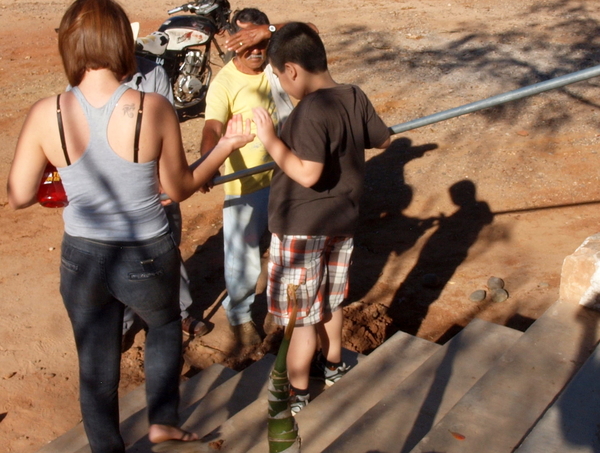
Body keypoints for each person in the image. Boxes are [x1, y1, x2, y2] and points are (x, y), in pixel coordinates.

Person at [6, 0, 254, 451]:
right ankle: (162, 419)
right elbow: (178, 188)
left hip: (82, 255)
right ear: (123, 41)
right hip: (145, 249)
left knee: (95, 365)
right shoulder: (152, 106)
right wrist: (226, 146)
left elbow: (19, 194)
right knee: (162, 326)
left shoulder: (48, 113)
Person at [252, 22, 391, 415]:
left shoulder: (311, 110)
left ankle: (295, 393)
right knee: (330, 303)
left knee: (298, 320)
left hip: (301, 229)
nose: (282, 84)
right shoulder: (352, 95)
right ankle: (332, 367)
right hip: (339, 224)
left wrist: (270, 138)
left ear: (292, 70)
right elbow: (384, 139)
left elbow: (308, 173)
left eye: (279, 76)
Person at [198, 8, 295, 346]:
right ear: (231, 41)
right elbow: (212, 125)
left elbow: (308, 30)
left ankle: (280, 310)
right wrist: (208, 161)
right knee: (244, 257)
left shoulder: (275, 62)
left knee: (287, 248)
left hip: (286, 175)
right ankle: (239, 315)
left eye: (260, 42)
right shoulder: (224, 82)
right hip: (246, 185)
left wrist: (267, 31)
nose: (255, 50)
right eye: (245, 42)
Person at [123, 56, 209, 338]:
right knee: (118, 255)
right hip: (118, 184)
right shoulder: (86, 78)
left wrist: (165, 180)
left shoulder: (152, 73)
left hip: (153, 178)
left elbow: (166, 128)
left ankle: (179, 311)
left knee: (167, 245)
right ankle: (122, 323)